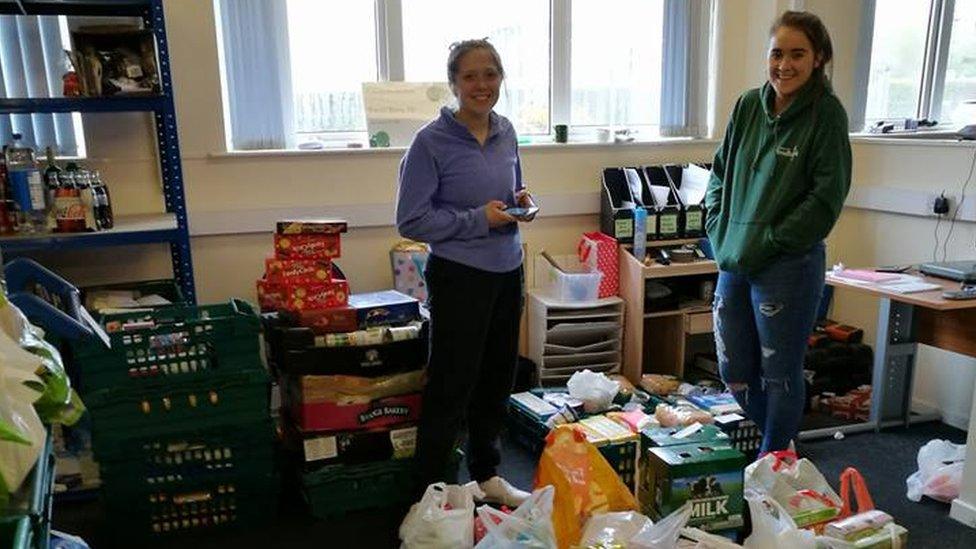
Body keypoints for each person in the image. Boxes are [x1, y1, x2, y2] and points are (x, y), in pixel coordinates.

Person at [395, 38, 537, 507]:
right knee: (451, 385)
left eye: (490, 74)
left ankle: (487, 474)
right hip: (459, 276)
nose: (482, 85)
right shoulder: (429, 142)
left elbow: (511, 193)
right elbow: (412, 220)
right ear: (453, 82)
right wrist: (480, 219)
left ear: (501, 79)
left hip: (507, 271)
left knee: (497, 378)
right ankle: (432, 491)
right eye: (471, 76)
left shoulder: (507, 131)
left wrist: (522, 205)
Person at [705, 11, 852, 454]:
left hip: (788, 264)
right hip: (735, 259)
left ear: (819, 58)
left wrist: (770, 241)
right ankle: (782, 452)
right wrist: (718, 227)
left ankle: (771, 467)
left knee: (780, 373)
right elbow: (719, 174)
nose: (784, 65)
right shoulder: (749, 105)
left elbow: (825, 199)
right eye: (776, 53)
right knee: (734, 370)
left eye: (797, 54)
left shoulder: (825, 114)